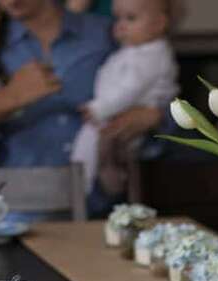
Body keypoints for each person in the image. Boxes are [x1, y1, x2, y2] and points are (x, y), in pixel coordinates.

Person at [0, 0, 164, 214]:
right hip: (10, 209)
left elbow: (161, 82)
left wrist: (154, 116)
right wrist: (11, 96)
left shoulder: (106, 33)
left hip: (104, 205)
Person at [72, 0, 177, 196]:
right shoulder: (134, 51)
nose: (120, 25)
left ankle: (89, 184)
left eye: (130, 18)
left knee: (97, 145)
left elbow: (131, 88)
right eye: (117, 18)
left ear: (158, 24)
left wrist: (99, 108)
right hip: (116, 114)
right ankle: (88, 182)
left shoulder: (151, 55)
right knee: (92, 144)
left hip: (126, 115)